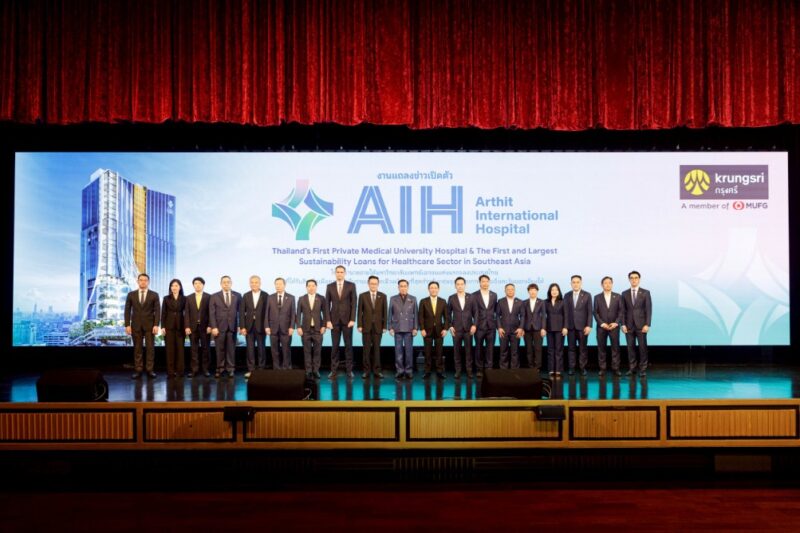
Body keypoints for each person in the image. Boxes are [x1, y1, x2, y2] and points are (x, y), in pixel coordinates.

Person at [125, 273, 161, 379]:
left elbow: (157, 311)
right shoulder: (131, 294)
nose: (143, 282)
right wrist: (127, 325)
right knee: (137, 349)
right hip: (135, 325)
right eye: (141, 280)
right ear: (138, 281)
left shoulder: (154, 295)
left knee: (150, 349)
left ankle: (150, 370)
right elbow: (127, 310)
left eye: (145, 280)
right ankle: (138, 370)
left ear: (148, 282)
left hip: (150, 326)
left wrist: (156, 325)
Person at [325, 265, 357, 378]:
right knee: (335, 347)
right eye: (337, 272)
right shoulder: (330, 286)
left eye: (341, 272)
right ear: (335, 273)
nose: (339, 274)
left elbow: (354, 303)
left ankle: (349, 370)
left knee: (348, 346)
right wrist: (328, 320)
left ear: (345, 273)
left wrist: (352, 319)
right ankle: (333, 370)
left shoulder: (351, 285)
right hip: (334, 322)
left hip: (347, 321)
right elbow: (326, 304)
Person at [621, 270, 652, 377]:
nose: (634, 280)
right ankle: (632, 368)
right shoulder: (624, 293)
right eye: (632, 278)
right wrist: (623, 324)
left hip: (641, 325)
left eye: (636, 278)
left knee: (642, 348)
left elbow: (648, 309)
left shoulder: (645, 292)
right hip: (628, 325)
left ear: (639, 279)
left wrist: (647, 324)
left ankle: (643, 369)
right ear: (629, 280)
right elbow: (623, 311)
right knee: (630, 348)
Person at [209, 275, 241, 379]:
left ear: (231, 283)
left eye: (228, 282)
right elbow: (211, 313)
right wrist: (214, 326)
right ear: (221, 284)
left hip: (232, 327)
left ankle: (230, 369)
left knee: (231, 350)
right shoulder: (214, 296)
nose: (226, 284)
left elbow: (240, 312)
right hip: (219, 327)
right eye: (224, 282)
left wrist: (240, 325)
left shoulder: (237, 295)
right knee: (220, 349)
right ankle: (220, 369)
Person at [296, 279, 328, 379]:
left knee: (317, 351)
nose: (311, 287)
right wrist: (298, 327)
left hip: (318, 329)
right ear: (306, 287)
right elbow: (298, 314)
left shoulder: (321, 298)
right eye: (309, 286)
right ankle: (308, 371)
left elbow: (325, 313)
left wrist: (324, 326)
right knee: (307, 351)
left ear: (316, 287)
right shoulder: (301, 299)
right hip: (305, 329)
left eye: (313, 286)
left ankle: (316, 370)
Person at [418, 281, 450, 379]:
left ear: (438, 289)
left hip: (440, 331)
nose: (433, 289)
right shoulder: (423, 301)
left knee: (439, 352)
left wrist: (446, 329)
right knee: (427, 352)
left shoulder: (443, 301)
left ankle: (439, 371)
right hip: (427, 331)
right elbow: (421, 316)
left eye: (435, 288)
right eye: (431, 288)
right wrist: (422, 329)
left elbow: (447, 317)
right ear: (428, 289)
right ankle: (427, 371)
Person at [357, 276, 387, 379]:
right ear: (368, 284)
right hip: (366, 327)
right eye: (371, 283)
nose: (373, 285)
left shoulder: (383, 296)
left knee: (377, 350)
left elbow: (385, 312)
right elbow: (359, 312)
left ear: (378, 284)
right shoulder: (362, 296)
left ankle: (377, 371)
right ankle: (366, 371)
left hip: (378, 327)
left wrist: (384, 326)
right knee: (366, 350)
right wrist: (359, 325)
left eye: (375, 284)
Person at [239, 275, 268, 379]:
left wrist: (267, 326)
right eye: (252, 282)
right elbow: (241, 312)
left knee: (261, 349)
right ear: (249, 283)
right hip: (249, 327)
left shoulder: (265, 295)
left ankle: (261, 370)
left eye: (256, 282)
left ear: (260, 283)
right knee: (250, 349)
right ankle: (251, 370)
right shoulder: (246, 295)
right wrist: (242, 327)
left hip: (261, 326)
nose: (254, 284)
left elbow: (268, 312)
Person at [564, 274, 593, 376]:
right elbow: (565, 312)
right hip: (571, 327)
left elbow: (590, 312)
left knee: (582, 349)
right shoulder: (567, 295)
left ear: (581, 283)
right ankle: (571, 368)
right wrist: (565, 326)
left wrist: (589, 325)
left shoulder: (587, 295)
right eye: (573, 282)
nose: (575, 284)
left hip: (583, 327)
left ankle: (582, 368)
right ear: (571, 284)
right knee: (571, 349)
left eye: (577, 282)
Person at [388, 279, 418, 379]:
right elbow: (390, 313)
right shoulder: (393, 298)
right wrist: (390, 327)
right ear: (398, 287)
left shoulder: (413, 298)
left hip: (409, 328)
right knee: (398, 351)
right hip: (397, 328)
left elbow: (416, 314)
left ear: (408, 287)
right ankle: (400, 370)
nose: (403, 288)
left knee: (409, 351)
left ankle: (409, 370)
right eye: (401, 286)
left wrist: (415, 328)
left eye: (405, 286)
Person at [594, 276, 623, 376]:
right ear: (602, 285)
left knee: (615, 348)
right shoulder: (597, 297)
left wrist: (616, 323)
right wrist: (602, 323)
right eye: (605, 283)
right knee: (601, 349)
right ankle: (602, 368)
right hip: (601, 327)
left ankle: (616, 368)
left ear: (612, 284)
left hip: (614, 327)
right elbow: (595, 312)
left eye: (609, 282)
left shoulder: (618, 296)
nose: (607, 284)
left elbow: (621, 311)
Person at [447, 277, 476, 379]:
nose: (460, 286)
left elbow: (476, 312)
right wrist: (450, 326)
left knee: (469, 351)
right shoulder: (451, 298)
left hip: (468, 329)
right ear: (455, 286)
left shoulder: (471, 297)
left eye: (462, 284)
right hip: (456, 329)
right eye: (458, 284)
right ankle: (458, 371)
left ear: (465, 285)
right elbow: (448, 313)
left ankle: (469, 371)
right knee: (457, 351)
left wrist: (474, 325)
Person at [184, 276, 212, 377]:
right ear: (193, 285)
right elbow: (186, 313)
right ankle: (194, 370)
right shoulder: (189, 297)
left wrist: (210, 325)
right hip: (192, 328)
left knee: (206, 349)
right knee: (193, 349)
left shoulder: (209, 297)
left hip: (205, 328)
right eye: (195, 283)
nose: (197, 285)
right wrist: (187, 326)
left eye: (200, 283)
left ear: (203, 285)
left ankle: (205, 369)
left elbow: (211, 313)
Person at [266, 278, 295, 370]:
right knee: (274, 350)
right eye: (276, 284)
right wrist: (266, 326)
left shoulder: (291, 297)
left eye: (280, 284)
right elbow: (266, 313)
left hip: (286, 328)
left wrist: (292, 327)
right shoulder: (270, 297)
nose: (278, 286)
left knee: (286, 350)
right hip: (273, 328)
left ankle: (286, 368)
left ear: (284, 285)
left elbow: (293, 314)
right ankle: (276, 369)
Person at [472, 274, 498, 378]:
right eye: (483, 281)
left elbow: (495, 310)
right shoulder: (474, 295)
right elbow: (473, 311)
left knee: (490, 349)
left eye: (487, 281)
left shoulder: (494, 295)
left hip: (491, 326)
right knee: (478, 348)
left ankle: (489, 369)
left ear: (489, 282)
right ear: (480, 283)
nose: (485, 283)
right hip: (479, 326)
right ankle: (479, 369)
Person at [160, 279, 186, 379]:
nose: (174, 287)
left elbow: (187, 313)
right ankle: (170, 372)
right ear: (170, 287)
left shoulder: (184, 298)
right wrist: (162, 326)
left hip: (181, 327)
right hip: (169, 327)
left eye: (176, 285)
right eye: (172, 286)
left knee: (180, 350)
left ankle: (180, 371)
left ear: (180, 287)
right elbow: (163, 313)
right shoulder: (166, 298)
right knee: (170, 350)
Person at [497, 283, 525, 369]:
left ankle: (514, 369)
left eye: (512, 289)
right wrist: (499, 327)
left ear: (514, 291)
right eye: (508, 289)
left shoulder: (520, 302)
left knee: (515, 351)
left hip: (516, 330)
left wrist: (521, 328)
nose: (510, 291)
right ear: (505, 291)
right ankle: (503, 369)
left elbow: (523, 316)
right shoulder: (500, 301)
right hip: (503, 330)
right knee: (503, 351)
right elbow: (497, 315)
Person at [544, 283, 568, 378]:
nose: (554, 291)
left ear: (559, 291)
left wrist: (565, 327)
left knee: (559, 349)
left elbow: (566, 315)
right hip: (549, 328)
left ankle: (558, 369)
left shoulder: (563, 302)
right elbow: (543, 316)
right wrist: (543, 328)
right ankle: (551, 369)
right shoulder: (545, 302)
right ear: (550, 291)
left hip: (560, 328)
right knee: (550, 349)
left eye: (556, 290)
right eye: (552, 290)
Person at [522, 283, 547, 373]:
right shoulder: (524, 302)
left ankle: (537, 367)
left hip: (538, 329)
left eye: (534, 290)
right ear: (528, 291)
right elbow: (523, 316)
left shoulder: (541, 302)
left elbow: (544, 316)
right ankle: (530, 366)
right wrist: (522, 328)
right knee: (528, 349)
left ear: (537, 291)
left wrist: (543, 328)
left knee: (538, 349)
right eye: (531, 290)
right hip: (527, 329)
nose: (533, 292)